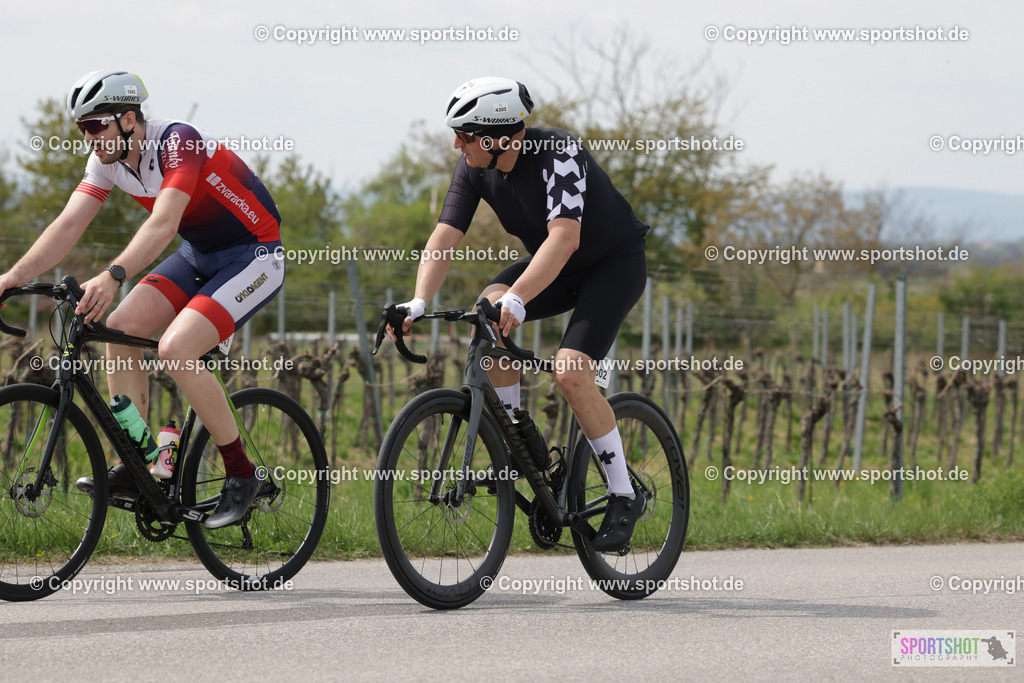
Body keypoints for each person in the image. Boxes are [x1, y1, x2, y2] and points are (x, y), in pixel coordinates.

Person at [0, 69, 285, 529]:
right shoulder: (107, 161)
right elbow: (68, 225)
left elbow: (164, 223)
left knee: (176, 348)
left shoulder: (180, 143)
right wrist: (11, 278)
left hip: (254, 254)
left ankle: (241, 472)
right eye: (82, 129)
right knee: (120, 330)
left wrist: (114, 274)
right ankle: (143, 465)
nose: (89, 138)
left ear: (128, 119)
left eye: (96, 125)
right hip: (200, 254)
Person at [394, 77, 650, 551]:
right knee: (486, 314)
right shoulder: (472, 167)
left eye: (466, 135)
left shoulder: (559, 153)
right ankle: (518, 441)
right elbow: (445, 235)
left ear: (496, 137)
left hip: (609, 266)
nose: (457, 144)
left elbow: (564, 238)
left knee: (571, 372)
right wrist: (419, 301)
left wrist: (518, 297)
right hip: (552, 268)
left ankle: (622, 493)